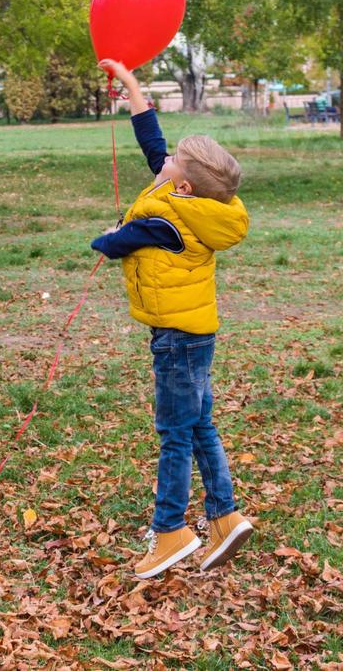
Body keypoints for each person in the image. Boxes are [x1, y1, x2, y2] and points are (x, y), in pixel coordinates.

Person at [92, 59, 254, 579]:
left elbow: (111, 245)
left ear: (182, 186)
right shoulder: (196, 205)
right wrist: (131, 85)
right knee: (198, 422)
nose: (162, 162)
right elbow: (152, 142)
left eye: (172, 165)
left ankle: (170, 533)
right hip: (196, 333)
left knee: (174, 432)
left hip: (176, 340)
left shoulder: (163, 220)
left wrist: (113, 230)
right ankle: (225, 518)